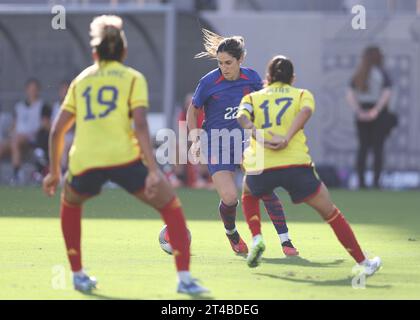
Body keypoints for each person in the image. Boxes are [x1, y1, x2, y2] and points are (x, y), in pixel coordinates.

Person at [42, 15, 208, 294]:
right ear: (124, 51)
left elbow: (57, 130)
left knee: (70, 206)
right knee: (170, 206)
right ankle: (185, 279)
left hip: (85, 161)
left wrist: (54, 173)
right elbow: (140, 124)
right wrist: (154, 170)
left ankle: (78, 275)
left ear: (94, 52)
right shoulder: (133, 78)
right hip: (123, 159)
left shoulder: (81, 81)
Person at [237, 55, 382, 276]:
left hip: (261, 164)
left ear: (267, 77)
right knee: (331, 213)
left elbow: (242, 118)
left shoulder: (252, 97)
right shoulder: (302, 94)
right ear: (292, 78)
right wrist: (286, 137)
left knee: (248, 192)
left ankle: (256, 237)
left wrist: (262, 137)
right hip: (295, 164)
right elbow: (305, 112)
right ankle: (363, 262)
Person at [187, 29, 298, 256]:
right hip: (216, 143)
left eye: (228, 63)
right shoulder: (209, 82)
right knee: (229, 198)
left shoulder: (252, 78)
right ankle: (232, 234)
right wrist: (194, 138)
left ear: (240, 60)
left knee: (264, 188)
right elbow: (193, 110)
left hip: (245, 142)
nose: (224, 68)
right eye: (220, 63)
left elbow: (265, 107)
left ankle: (286, 242)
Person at [346, 46, 392, 189]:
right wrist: (376, 111)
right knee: (377, 148)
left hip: (362, 111)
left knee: (363, 148)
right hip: (378, 112)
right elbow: (386, 94)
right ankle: (376, 182)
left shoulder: (358, 74)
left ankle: (361, 182)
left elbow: (349, 95)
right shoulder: (381, 73)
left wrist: (358, 111)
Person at [10, 78, 51, 184]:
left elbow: (46, 125)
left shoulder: (43, 106)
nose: (32, 91)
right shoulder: (19, 106)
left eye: (35, 89)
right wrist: (13, 133)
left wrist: (32, 133)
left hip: (33, 139)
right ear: (26, 90)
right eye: (30, 89)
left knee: (16, 141)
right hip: (17, 138)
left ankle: (16, 175)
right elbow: (13, 126)